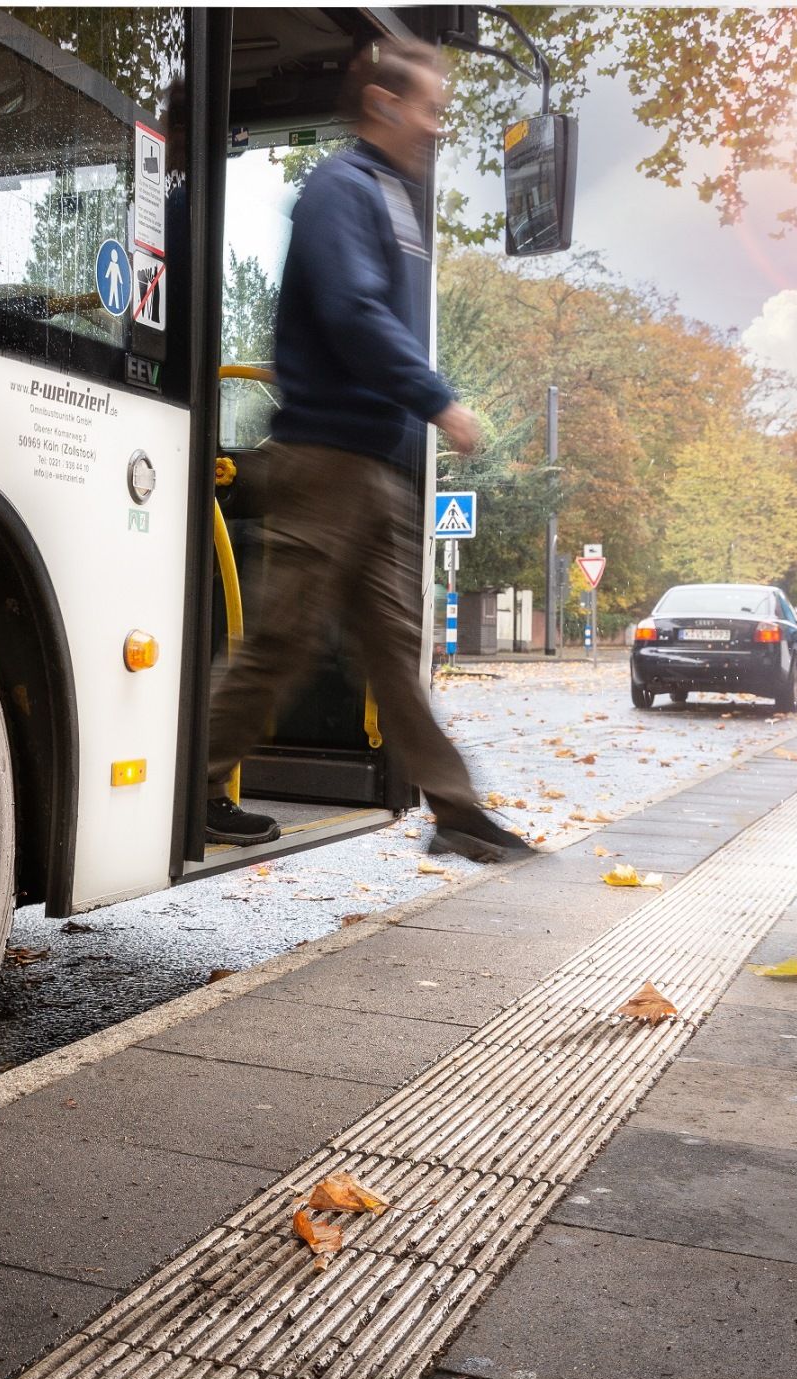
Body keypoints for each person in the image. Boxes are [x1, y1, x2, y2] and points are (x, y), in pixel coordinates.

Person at [202, 37, 531, 864]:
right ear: (384, 105)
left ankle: (454, 809)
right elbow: (352, 311)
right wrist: (438, 399)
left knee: (392, 649)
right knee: (283, 643)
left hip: (371, 465)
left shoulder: (390, 193)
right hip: (325, 460)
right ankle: (194, 788)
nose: (435, 127)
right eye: (428, 109)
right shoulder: (341, 188)